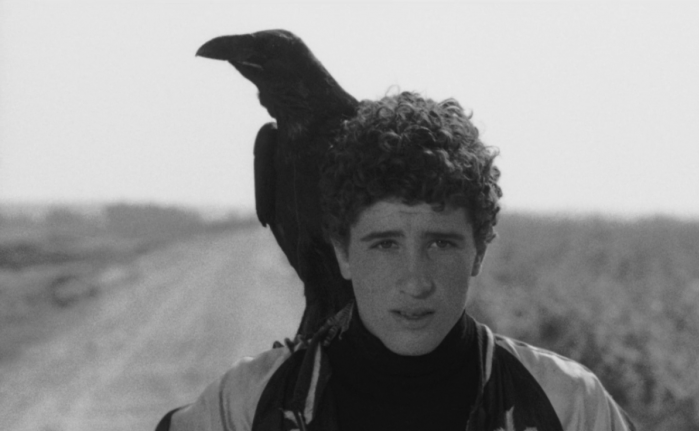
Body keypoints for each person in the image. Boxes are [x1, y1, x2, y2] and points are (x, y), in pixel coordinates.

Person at [156, 91, 636, 431]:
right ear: (342, 253)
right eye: (385, 244)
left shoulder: (566, 405)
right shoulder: (251, 406)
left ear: (479, 252)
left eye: (441, 244)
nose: (415, 281)